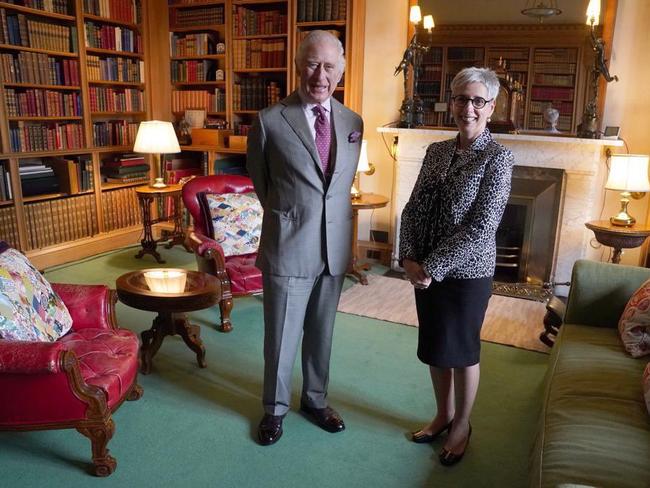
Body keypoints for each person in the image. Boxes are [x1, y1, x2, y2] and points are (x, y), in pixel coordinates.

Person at [246, 30, 364, 446]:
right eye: (313, 64)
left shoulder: (353, 122)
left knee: (321, 332)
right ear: (299, 66)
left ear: (340, 72)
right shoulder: (269, 120)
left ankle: (315, 400)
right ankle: (274, 410)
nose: (320, 74)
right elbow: (263, 185)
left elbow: (340, 184)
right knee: (280, 337)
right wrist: (292, 217)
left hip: (333, 250)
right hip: (288, 246)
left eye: (329, 66)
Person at [399, 67, 514, 466]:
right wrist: (408, 257)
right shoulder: (436, 152)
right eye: (461, 98)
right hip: (424, 270)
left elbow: (483, 227)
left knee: (462, 350)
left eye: (477, 100)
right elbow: (413, 207)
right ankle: (443, 414)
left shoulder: (499, 158)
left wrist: (431, 266)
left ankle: (462, 424)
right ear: (452, 103)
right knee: (435, 346)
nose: (468, 107)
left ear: (491, 107)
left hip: (467, 274)